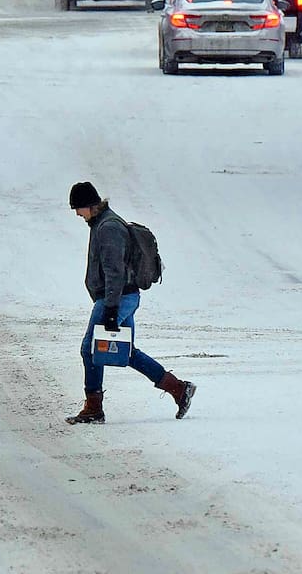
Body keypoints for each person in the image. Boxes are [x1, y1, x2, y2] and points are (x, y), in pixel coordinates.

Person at [65, 181, 195, 424]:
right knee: (125, 352)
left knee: (90, 349)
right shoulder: (101, 223)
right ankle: (179, 389)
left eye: (78, 208)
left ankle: (93, 408)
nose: (76, 214)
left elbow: (114, 271)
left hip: (117, 297)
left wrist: (111, 309)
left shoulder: (108, 227)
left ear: (89, 205)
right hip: (122, 296)